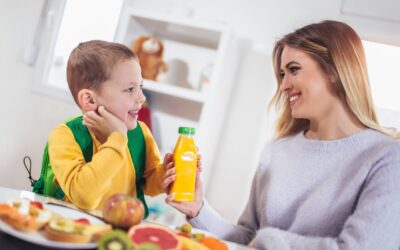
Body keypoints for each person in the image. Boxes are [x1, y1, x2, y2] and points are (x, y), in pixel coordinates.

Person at [163, 20, 400, 249]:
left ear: (334, 70)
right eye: (282, 75)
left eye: (293, 70)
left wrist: (270, 241)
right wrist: (197, 208)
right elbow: (248, 238)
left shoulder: (387, 158)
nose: (283, 86)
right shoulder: (276, 151)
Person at [33, 40, 169, 215]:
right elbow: (84, 196)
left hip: (118, 232)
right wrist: (117, 139)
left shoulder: (141, 133)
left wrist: (166, 174)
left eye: (140, 86)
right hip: (72, 230)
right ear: (89, 100)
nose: (141, 97)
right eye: (129, 89)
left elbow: (147, 183)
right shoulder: (65, 136)